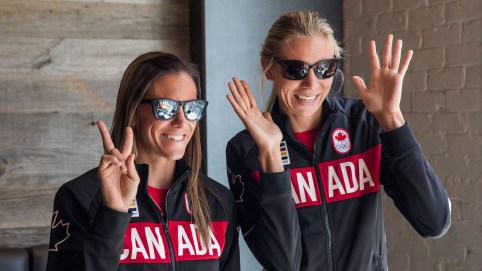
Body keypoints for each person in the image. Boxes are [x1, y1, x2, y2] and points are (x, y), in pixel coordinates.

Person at [225, 11, 451, 271]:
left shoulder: (364, 125)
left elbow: (434, 222)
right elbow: (283, 264)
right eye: (296, 69)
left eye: (324, 68)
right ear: (269, 68)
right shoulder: (246, 150)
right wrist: (271, 155)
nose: (312, 83)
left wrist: (392, 119)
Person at [46, 51, 240, 271]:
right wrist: (113, 213)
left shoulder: (218, 202)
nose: (181, 121)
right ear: (134, 111)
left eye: (192, 108)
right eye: (165, 108)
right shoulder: (80, 197)